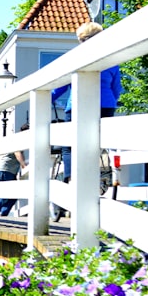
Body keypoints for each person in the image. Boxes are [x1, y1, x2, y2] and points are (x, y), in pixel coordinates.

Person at [51, 22, 122, 181]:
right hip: (105, 106)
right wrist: (111, 101)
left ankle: (71, 179)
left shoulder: (73, 59)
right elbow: (116, 88)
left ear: (82, 40)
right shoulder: (110, 60)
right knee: (96, 142)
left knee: (69, 144)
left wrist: (49, 98)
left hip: (78, 105)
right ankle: (95, 178)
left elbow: (61, 86)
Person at [0, 123, 29, 216]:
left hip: (4, 170)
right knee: (10, 193)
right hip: (7, 170)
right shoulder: (19, 140)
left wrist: (23, 164)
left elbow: (20, 155)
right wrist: (24, 165)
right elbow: (18, 153)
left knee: (8, 193)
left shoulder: (19, 140)